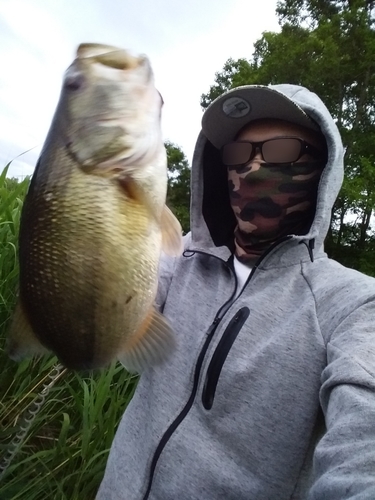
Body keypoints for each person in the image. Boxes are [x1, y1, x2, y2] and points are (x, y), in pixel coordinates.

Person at [97, 84, 375, 499]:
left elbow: (362, 449)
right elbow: (106, 308)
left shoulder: (351, 304)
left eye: (280, 151)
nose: (253, 167)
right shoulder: (183, 254)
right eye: (239, 154)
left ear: (323, 168)